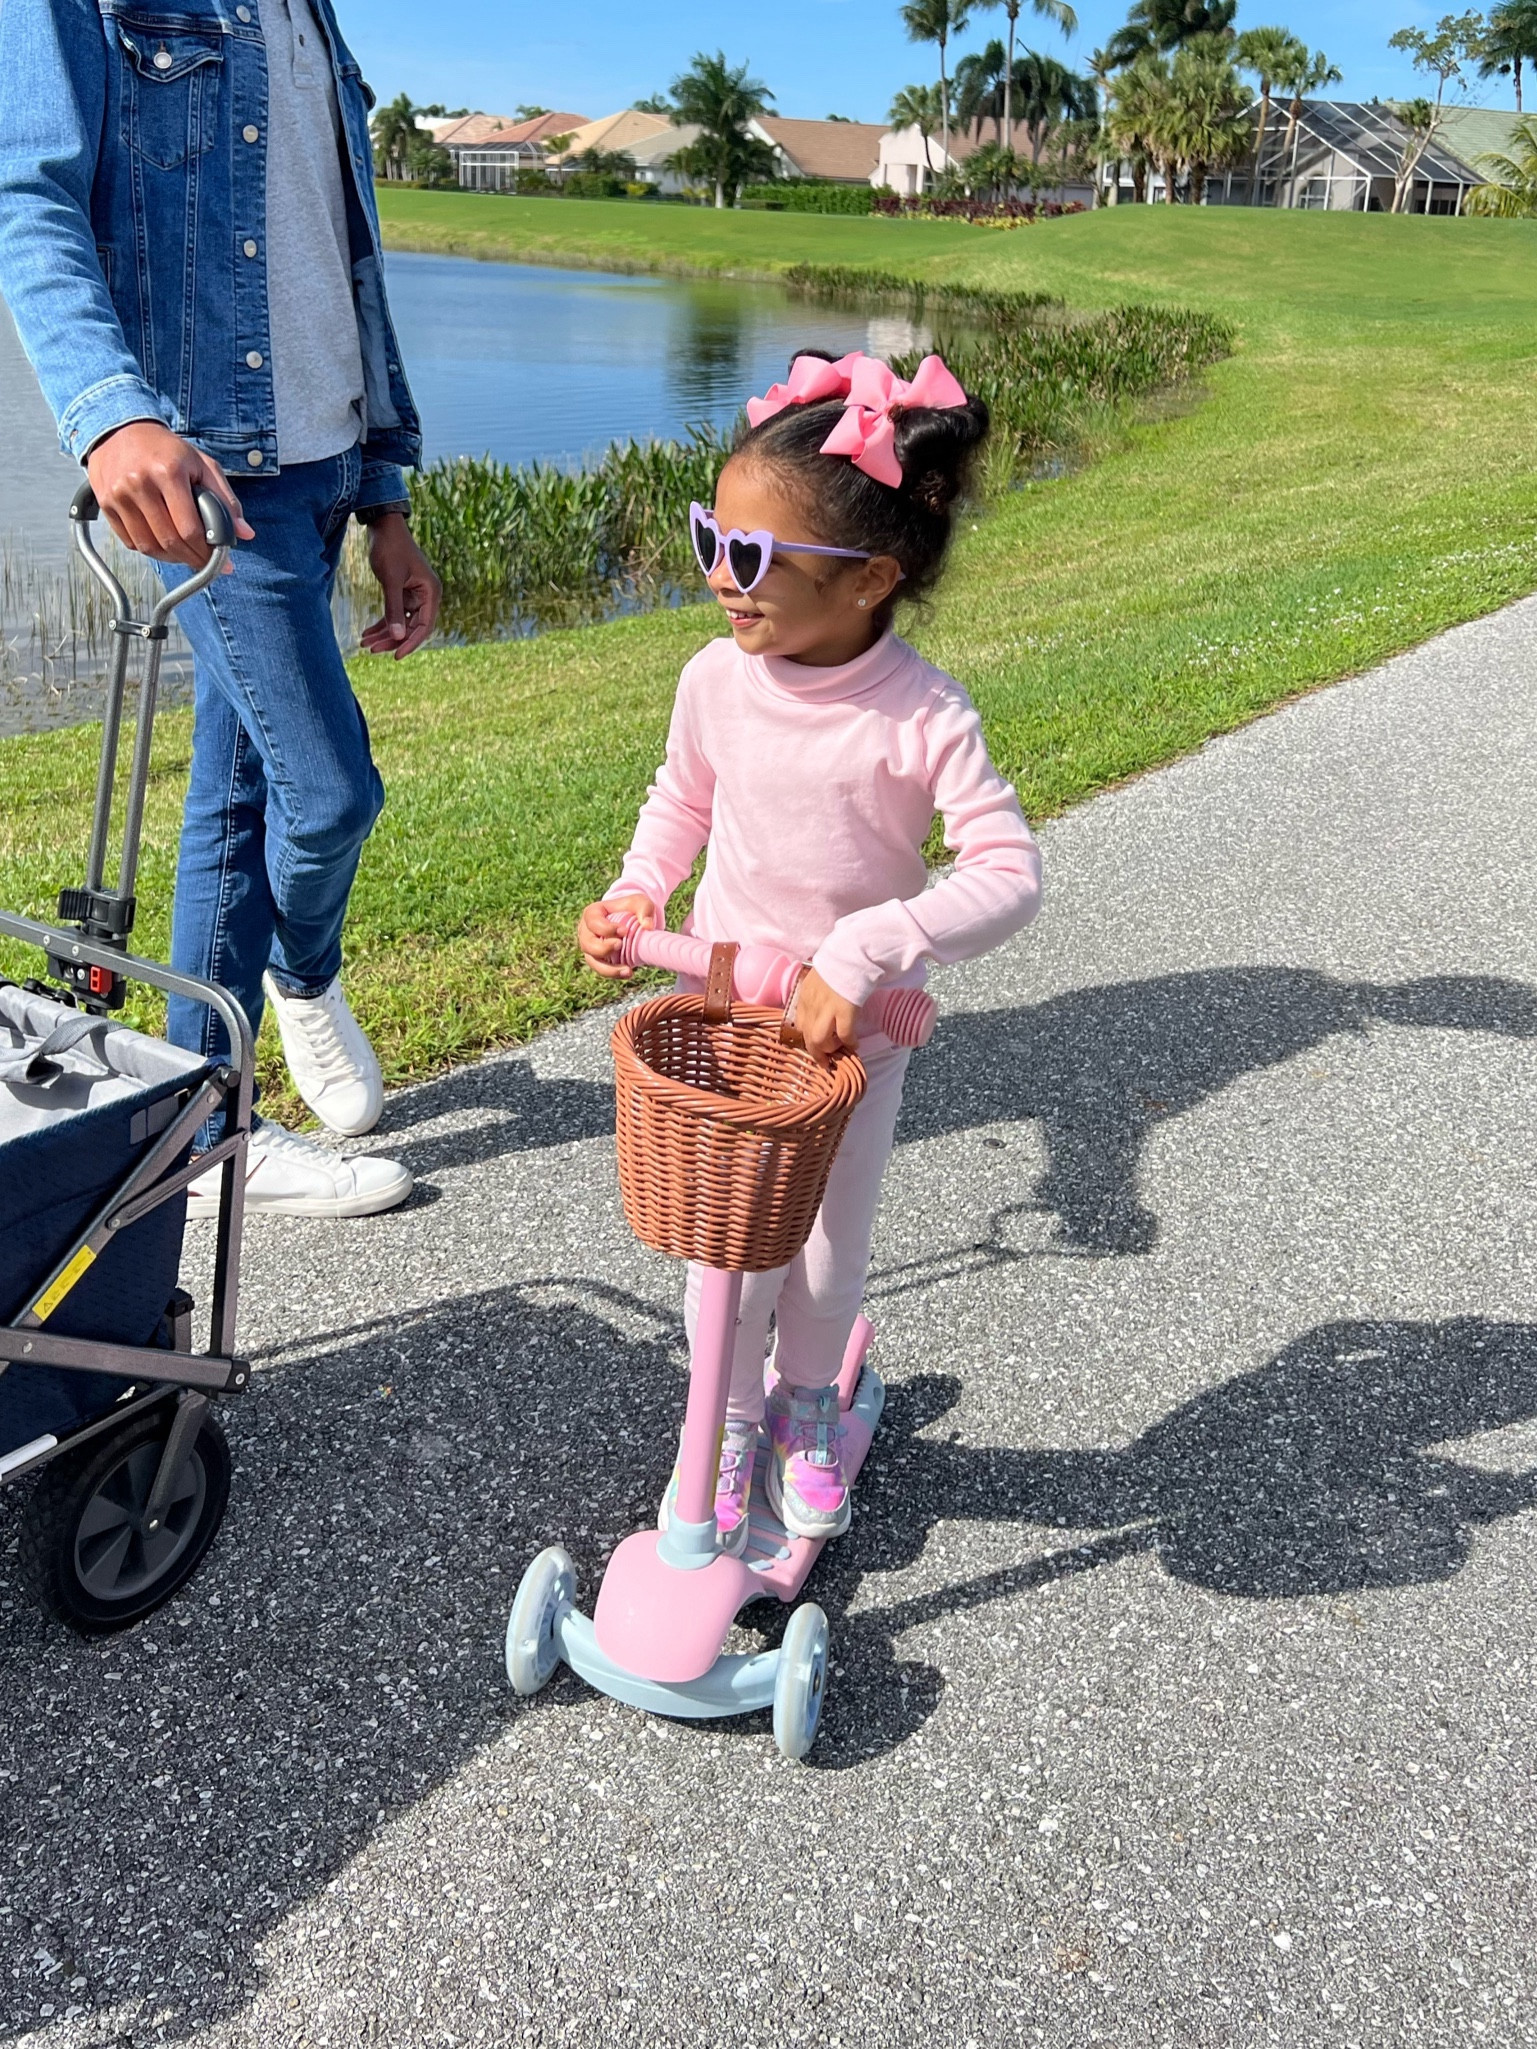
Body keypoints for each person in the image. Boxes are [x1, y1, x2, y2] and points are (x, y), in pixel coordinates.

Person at [577, 350, 1042, 1547]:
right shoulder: (714, 681)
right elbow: (679, 800)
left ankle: (804, 1409)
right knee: (723, 1256)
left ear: (872, 579)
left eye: (752, 559)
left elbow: (1007, 875)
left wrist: (874, 944)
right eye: (707, 544)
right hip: (729, 1020)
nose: (722, 585)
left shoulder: (923, 717)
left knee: (828, 1257)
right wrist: (638, 895)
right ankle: (727, 1415)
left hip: (846, 1044)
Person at [0, 0, 438, 1218]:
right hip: (210, 472)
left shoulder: (311, 15)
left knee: (237, 789)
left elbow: (348, 267)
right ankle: (300, 979)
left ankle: (194, 1119)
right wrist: (108, 410)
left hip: (331, 466)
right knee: (332, 787)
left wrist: (388, 492)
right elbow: (25, 193)